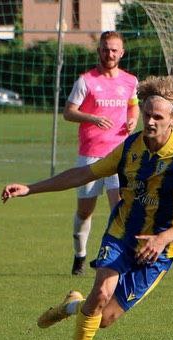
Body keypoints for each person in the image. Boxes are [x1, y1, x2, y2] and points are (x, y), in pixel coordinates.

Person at [2, 75, 173, 340]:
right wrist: (30, 188)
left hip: (158, 250)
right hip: (121, 232)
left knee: (104, 317)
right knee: (100, 292)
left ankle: (72, 305)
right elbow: (84, 173)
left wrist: (162, 238)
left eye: (158, 117)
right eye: (147, 114)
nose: (150, 122)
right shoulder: (130, 147)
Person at [64, 31, 140, 276]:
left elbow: (133, 106)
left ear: (122, 53)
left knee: (119, 209)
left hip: (120, 155)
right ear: (99, 51)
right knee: (85, 211)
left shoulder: (130, 81)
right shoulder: (86, 81)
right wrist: (91, 118)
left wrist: (132, 121)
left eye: (115, 50)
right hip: (91, 154)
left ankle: (113, 257)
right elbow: (68, 112)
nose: (110, 54)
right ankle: (79, 255)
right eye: (106, 49)